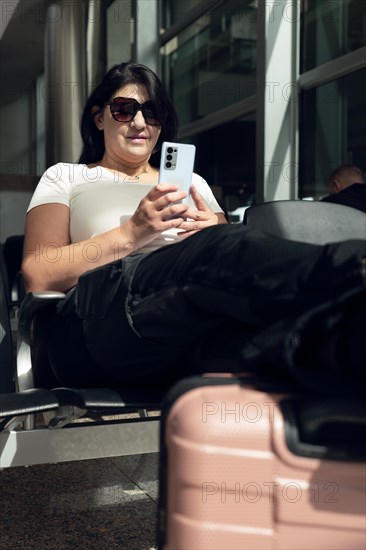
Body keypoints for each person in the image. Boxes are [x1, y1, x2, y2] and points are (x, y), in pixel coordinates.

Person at [22, 63, 366, 389]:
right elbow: (38, 272)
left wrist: (210, 228)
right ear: (99, 118)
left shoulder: (192, 183)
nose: (140, 123)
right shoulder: (67, 176)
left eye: (152, 112)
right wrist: (133, 233)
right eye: (124, 110)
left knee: (295, 341)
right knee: (219, 250)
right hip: (95, 324)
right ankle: (353, 267)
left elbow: (231, 250)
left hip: (184, 324)